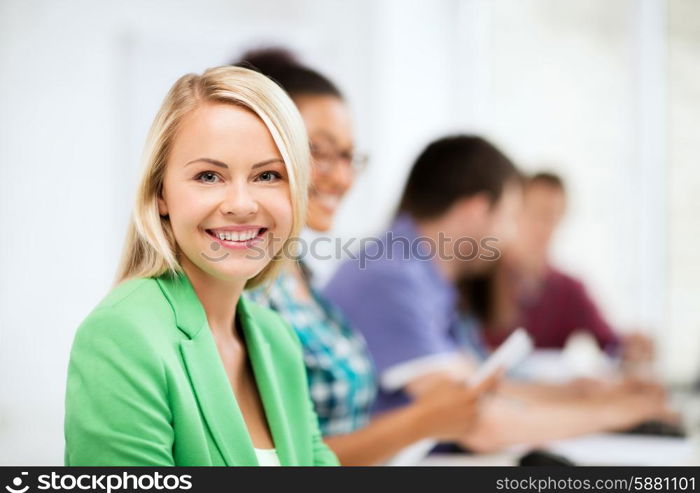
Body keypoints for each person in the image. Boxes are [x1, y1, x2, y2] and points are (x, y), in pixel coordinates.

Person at [64, 66, 338, 466]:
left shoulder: (274, 337)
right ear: (160, 193)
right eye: (209, 176)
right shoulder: (120, 336)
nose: (241, 204)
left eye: (268, 175)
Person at [326, 136, 669, 452]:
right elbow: (475, 420)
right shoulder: (391, 279)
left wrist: (580, 394)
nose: (510, 236)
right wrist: (616, 414)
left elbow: (475, 384)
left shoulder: (427, 279)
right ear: (476, 210)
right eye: (510, 217)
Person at [240, 49, 492, 465]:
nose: (342, 177)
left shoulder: (301, 275)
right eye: (319, 151)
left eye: (349, 157)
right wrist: (424, 420)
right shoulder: (246, 290)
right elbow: (280, 461)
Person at [469, 172, 653, 363]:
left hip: (548, 391)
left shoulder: (568, 289)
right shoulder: (478, 277)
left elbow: (611, 344)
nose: (545, 227)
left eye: (554, 216)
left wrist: (631, 348)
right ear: (514, 211)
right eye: (538, 213)